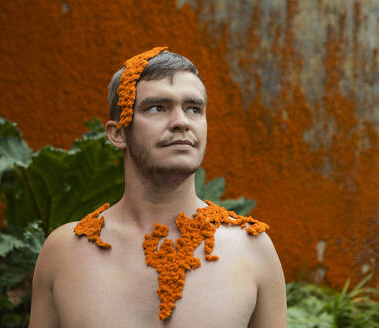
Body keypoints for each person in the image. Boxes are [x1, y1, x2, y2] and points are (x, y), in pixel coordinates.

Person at [29, 48, 287, 327]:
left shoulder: (252, 249)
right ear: (118, 134)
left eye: (194, 109)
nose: (181, 122)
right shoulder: (65, 251)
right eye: (157, 108)